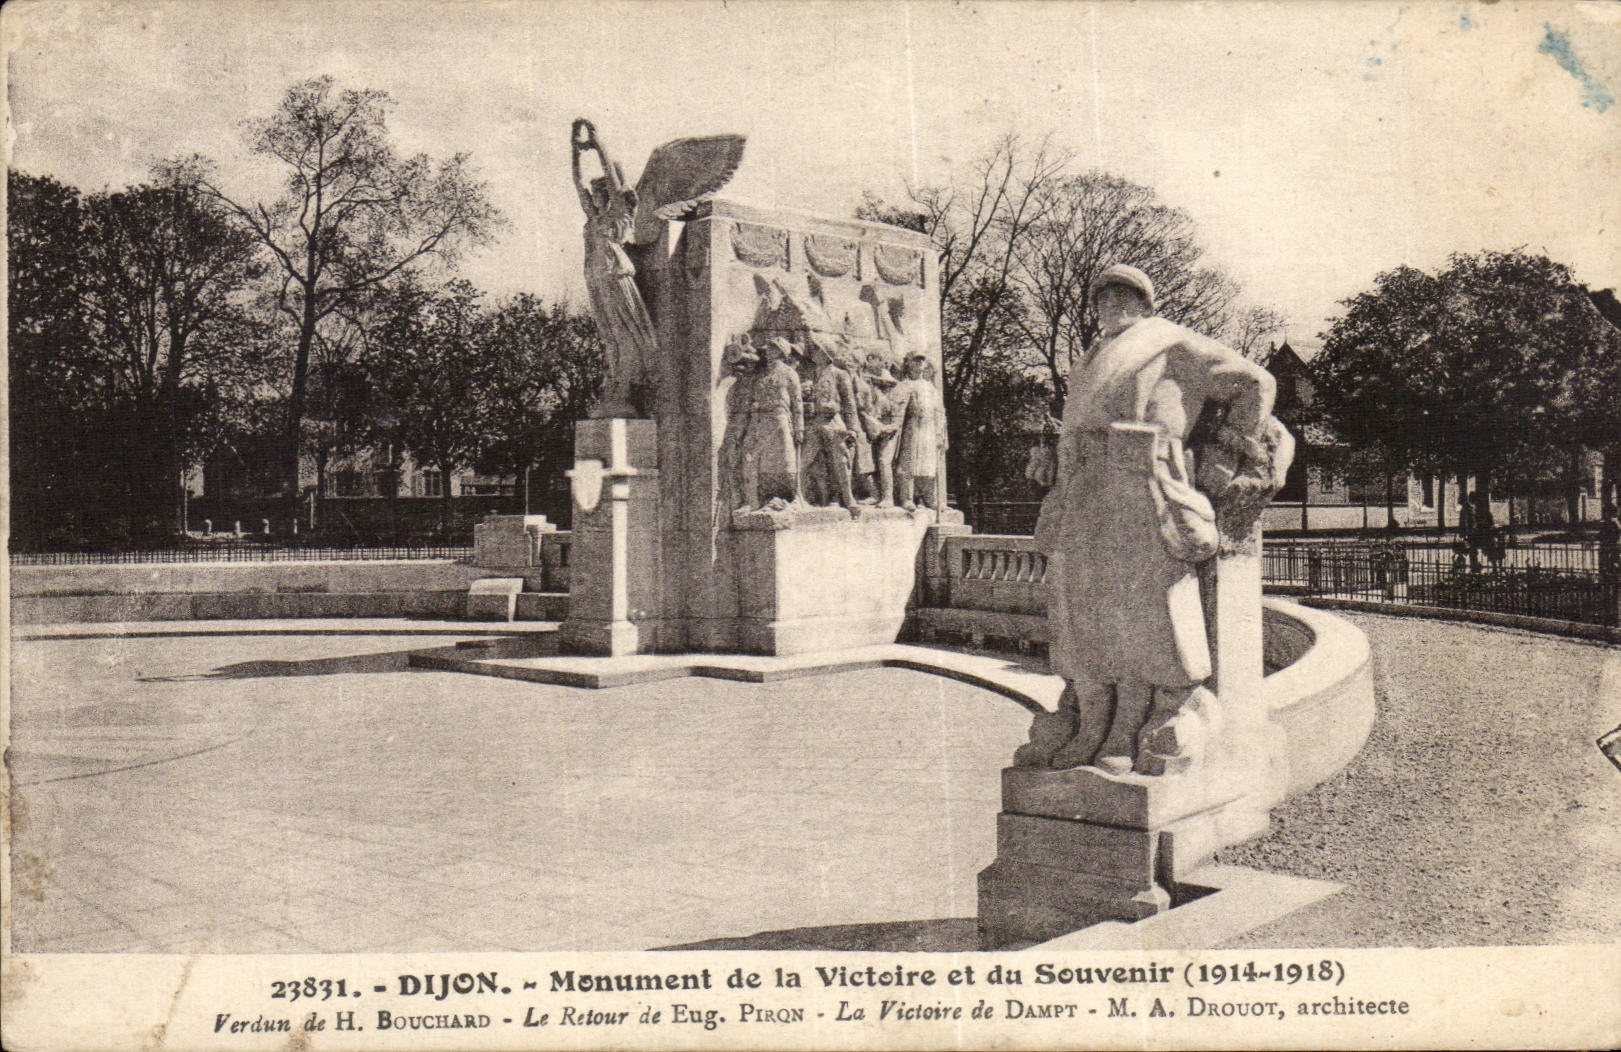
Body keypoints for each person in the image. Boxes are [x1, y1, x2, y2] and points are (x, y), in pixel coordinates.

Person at [1017, 263, 1284, 776]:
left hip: (1142, 481)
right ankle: (1092, 720)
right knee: (1081, 606)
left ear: (1145, 302)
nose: (1111, 303)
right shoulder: (1090, 358)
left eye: (1124, 294)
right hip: (1081, 485)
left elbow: (1257, 382)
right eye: (1103, 296)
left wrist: (1225, 456)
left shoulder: (1171, 342)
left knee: (1143, 607)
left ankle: (1129, 725)